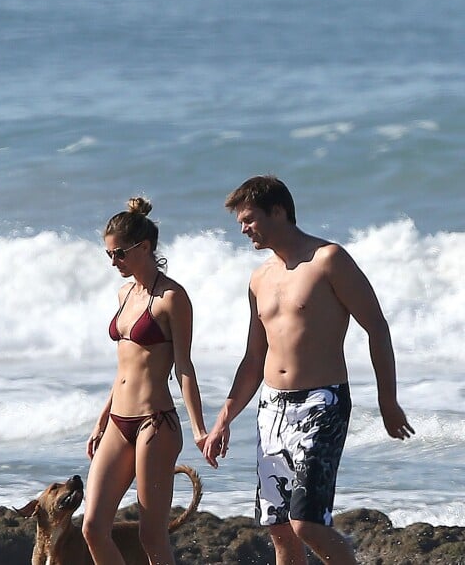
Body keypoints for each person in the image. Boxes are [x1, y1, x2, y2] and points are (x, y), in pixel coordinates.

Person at [203, 175, 414, 565]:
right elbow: (253, 358)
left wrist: (388, 400)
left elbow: (377, 327)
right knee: (279, 528)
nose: (244, 229)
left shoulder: (328, 260)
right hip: (271, 408)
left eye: (249, 219)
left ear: (278, 211)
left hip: (321, 402)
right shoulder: (259, 277)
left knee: (306, 522)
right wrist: (223, 419)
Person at [83, 197, 208, 565]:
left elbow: (184, 367)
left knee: (151, 536)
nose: (113, 262)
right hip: (117, 424)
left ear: (145, 247)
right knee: (92, 527)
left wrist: (199, 428)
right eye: (109, 255)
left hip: (156, 424)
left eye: (119, 253)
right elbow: (125, 368)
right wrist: (101, 419)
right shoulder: (124, 294)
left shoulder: (172, 298)